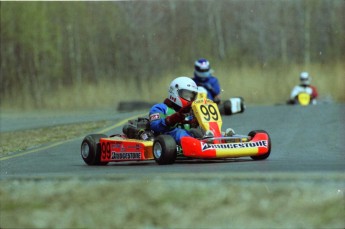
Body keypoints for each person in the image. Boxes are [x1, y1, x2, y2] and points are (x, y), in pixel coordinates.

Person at [149, 76, 199, 144]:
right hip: (165, 139)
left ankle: (211, 143)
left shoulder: (190, 111)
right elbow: (155, 126)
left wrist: (196, 122)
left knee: (198, 132)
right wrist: (172, 119)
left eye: (192, 97)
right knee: (179, 132)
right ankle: (193, 144)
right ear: (174, 92)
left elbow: (192, 127)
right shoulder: (160, 108)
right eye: (187, 95)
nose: (190, 99)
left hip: (187, 137)